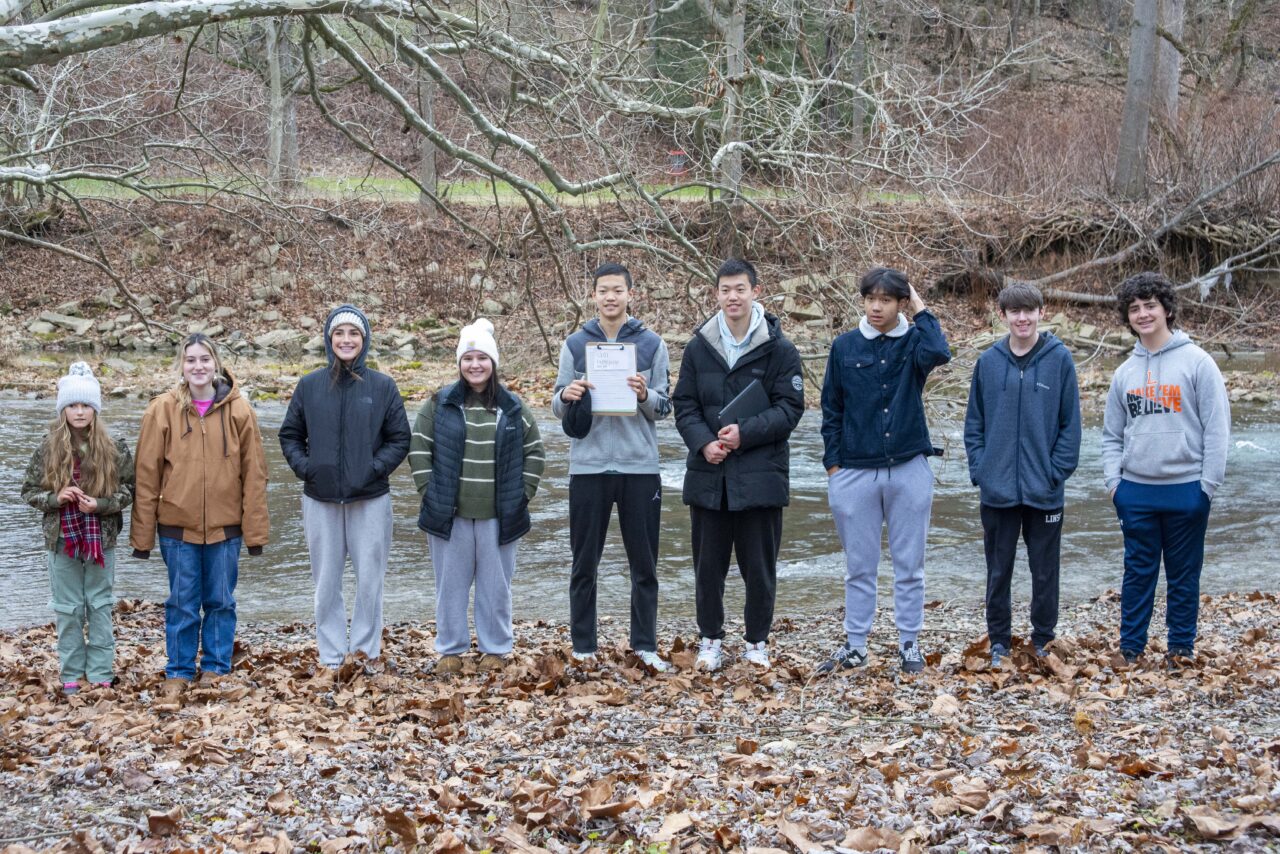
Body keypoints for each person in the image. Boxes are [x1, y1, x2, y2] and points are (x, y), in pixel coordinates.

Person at [816, 267, 951, 675]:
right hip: (854, 472)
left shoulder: (914, 344)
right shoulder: (844, 347)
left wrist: (920, 303)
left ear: (900, 304)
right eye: (870, 298)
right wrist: (834, 468)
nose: (876, 306)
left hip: (909, 467)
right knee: (860, 565)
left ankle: (909, 643)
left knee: (910, 565)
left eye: (887, 299)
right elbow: (831, 409)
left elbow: (940, 350)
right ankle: (856, 644)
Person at [672, 258, 804, 672]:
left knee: (759, 570)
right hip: (709, 476)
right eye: (725, 289)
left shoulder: (780, 348)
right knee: (707, 569)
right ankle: (710, 640)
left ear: (755, 292)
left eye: (740, 289)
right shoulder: (699, 347)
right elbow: (684, 405)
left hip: (761, 476)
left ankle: (756, 643)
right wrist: (703, 442)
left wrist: (745, 432)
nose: (733, 296)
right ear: (717, 294)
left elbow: (790, 408)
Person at [1101, 272, 1229, 667]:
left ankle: (1180, 650)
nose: (1143, 314)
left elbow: (1217, 429)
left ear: (1167, 309)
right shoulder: (1124, 373)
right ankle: (1131, 649)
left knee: (1183, 576)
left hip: (1187, 488)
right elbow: (1110, 435)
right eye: (1134, 308)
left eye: (1150, 306)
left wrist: (1206, 487)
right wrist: (1114, 485)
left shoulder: (1198, 363)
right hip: (1136, 491)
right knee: (1138, 574)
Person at [131, 334, 269, 697]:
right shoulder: (161, 410)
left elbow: (255, 475)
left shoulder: (240, 411)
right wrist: (142, 537)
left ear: (216, 363)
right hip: (177, 529)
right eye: (190, 360)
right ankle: (178, 671)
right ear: (181, 366)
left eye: (204, 359)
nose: (198, 366)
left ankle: (216, 668)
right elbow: (146, 476)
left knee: (221, 601)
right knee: (182, 602)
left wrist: (254, 533)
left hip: (226, 529)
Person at [551, 263, 672, 671]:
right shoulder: (575, 344)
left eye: (617, 290)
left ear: (630, 295)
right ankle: (583, 645)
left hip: (640, 466)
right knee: (584, 561)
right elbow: (555, 405)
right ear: (593, 295)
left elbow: (665, 407)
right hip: (588, 466)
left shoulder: (653, 344)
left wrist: (643, 395)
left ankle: (645, 645)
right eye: (603, 290)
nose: (610, 297)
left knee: (645, 563)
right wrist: (567, 394)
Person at [280, 305, 411, 672]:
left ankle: (365, 653)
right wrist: (308, 469)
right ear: (329, 339)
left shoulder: (383, 386)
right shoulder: (309, 385)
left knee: (370, 579)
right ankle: (332, 656)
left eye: (354, 333)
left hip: (370, 498)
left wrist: (374, 469)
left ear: (364, 340)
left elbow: (400, 439)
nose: (346, 340)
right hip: (319, 498)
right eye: (340, 334)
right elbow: (290, 435)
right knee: (326, 582)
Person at [409, 319, 545, 674]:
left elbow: (535, 453)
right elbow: (419, 448)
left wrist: (521, 495)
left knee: (495, 588)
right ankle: (451, 651)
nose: (475, 365)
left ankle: (494, 650)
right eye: (467, 357)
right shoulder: (439, 403)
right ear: (459, 363)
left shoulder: (512, 407)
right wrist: (429, 491)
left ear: (493, 363)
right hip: (448, 515)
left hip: (499, 516)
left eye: (482, 358)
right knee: (450, 588)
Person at [964, 283, 1081, 666]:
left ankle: (1042, 639)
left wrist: (1056, 472)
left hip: (1044, 489)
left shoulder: (1059, 359)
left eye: (1029, 311)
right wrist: (981, 469)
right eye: (1014, 312)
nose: (1022, 318)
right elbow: (974, 424)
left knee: (1045, 572)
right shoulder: (989, 362)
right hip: (997, 490)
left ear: (1041, 313)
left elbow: (1070, 424)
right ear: (1003, 316)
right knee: (998, 572)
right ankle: (999, 641)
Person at [22, 362, 134, 696]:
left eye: (86, 405)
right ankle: (71, 672)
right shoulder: (47, 447)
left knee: (99, 604)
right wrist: (55, 498)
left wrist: (99, 506)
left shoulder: (115, 447)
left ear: (95, 409)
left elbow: (129, 491)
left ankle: (100, 670)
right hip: (61, 541)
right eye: (73, 405)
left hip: (103, 538)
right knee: (68, 608)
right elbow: (28, 491)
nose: (80, 411)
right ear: (63, 409)